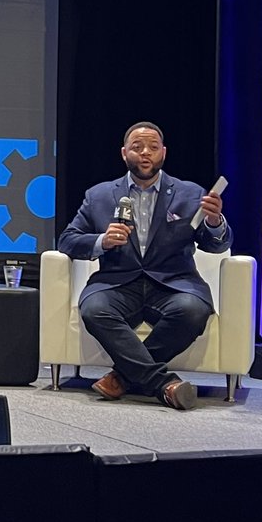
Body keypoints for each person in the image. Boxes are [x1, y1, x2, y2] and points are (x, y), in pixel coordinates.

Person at [58, 121, 231, 410]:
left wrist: (215, 222)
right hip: (117, 283)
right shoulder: (98, 195)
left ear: (163, 153)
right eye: (137, 148)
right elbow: (67, 241)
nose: (145, 153)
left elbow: (215, 245)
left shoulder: (190, 194)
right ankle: (163, 384)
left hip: (173, 283)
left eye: (152, 147)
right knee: (94, 309)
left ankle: (122, 378)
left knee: (193, 311)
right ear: (124, 153)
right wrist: (102, 240)